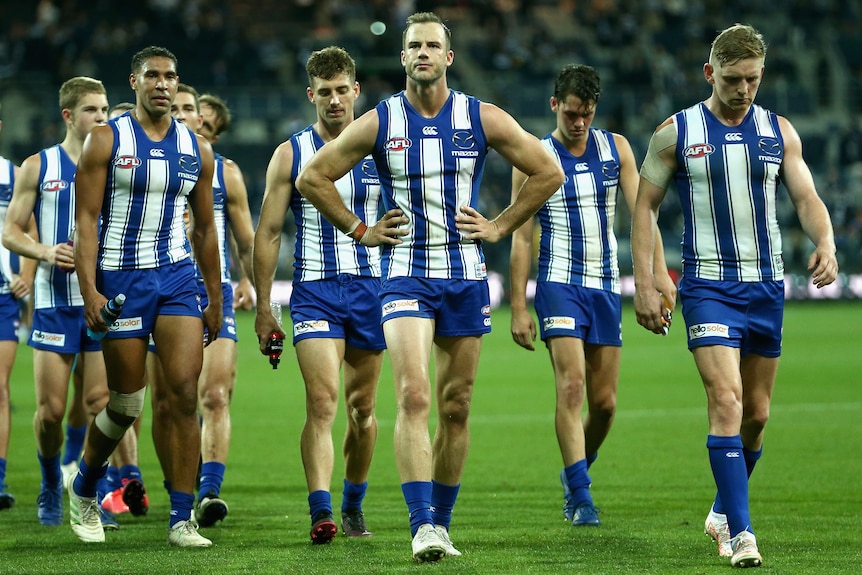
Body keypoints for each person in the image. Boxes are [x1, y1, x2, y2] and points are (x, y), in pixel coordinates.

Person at [295, 12, 564, 562]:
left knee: (457, 405)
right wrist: (360, 230)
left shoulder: (479, 116)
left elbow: (548, 171)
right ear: (402, 58)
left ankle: (441, 523)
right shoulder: (379, 121)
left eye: (432, 45)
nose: (422, 52)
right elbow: (312, 176)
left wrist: (500, 225)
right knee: (414, 395)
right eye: (413, 45)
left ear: (448, 56)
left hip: (464, 275)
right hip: (404, 276)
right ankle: (421, 526)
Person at [631, 24, 838, 569]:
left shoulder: (779, 132)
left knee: (758, 414)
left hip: (766, 286)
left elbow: (806, 195)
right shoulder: (676, 132)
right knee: (727, 401)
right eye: (731, 79)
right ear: (709, 73)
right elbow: (644, 208)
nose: (743, 89)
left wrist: (827, 241)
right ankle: (741, 534)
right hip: (706, 287)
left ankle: (723, 510)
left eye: (751, 79)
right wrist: (650, 282)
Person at [509, 64, 676, 527]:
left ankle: (576, 467)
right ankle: (580, 496)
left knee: (605, 405)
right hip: (558, 284)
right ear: (554, 105)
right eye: (571, 113)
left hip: (603, 286)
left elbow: (643, 213)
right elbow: (523, 237)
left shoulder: (616, 148)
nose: (579, 122)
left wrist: (660, 274)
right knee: (572, 386)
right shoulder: (535, 155)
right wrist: (519, 304)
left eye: (586, 114)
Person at [71, 46, 223, 547]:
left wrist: (215, 297)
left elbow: (204, 229)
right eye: (152, 76)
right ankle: (86, 485)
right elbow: (86, 221)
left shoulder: (195, 148)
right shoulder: (105, 140)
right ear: (133, 82)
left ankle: (182, 518)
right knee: (126, 404)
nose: (163, 85)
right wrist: (89, 287)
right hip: (120, 279)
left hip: (177, 278)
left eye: (170, 77)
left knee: (182, 395)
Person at [254, 46, 387, 545]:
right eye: (324, 92)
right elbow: (267, 234)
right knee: (322, 401)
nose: (334, 100)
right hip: (315, 292)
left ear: (356, 91)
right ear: (311, 95)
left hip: (374, 291)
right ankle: (322, 511)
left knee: (362, 410)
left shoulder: (380, 148)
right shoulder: (290, 153)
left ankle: (353, 503)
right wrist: (266, 307)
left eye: (341, 91)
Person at [2, 77, 143, 532]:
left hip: (100, 303)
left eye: (105, 110)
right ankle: (49, 480)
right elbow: (10, 230)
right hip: (53, 302)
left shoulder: (117, 167)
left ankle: (93, 489)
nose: (102, 118)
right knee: (51, 412)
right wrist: (44, 253)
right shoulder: (38, 166)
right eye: (92, 111)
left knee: (102, 399)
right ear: (69, 115)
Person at [149, 83, 254, 528]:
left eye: (192, 109)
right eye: (178, 108)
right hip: (159, 292)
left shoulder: (224, 171)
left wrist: (252, 282)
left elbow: (244, 237)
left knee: (213, 395)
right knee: (168, 404)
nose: (189, 114)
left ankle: (208, 492)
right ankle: (181, 488)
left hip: (214, 294)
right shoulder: (149, 166)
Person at [0, 104, 35, 511]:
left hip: (2, 297)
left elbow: (27, 225)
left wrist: (27, 269)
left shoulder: (13, 174)